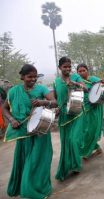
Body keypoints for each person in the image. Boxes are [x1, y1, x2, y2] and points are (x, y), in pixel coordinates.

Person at [2, 64, 57, 198]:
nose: (33, 79)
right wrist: (11, 120)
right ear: (22, 77)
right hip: (23, 132)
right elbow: (4, 109)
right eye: (29, 76)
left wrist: (43, 102)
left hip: (40, 131)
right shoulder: (14, 91)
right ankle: (26, 187)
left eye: (35, 76)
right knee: (26, 160)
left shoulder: (42, 89)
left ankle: (36, 188)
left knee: (38, 160)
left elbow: (55, 102)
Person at [54, 57, 87, 181]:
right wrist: (57, 108)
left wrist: (73, 83)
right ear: (60, 68)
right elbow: (57, 98)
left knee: (73, 140)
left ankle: (76, 165)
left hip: (77, 113)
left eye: (69, 66)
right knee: (66, 142)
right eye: (65, 67)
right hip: (64, 116)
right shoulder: (56, 81)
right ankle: (68, 166)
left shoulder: (76, 78)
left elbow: (86, 89)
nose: (68, 69)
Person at [77, 63, 104, 159]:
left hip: (94, 108)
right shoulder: (77, 81)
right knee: (84, 131)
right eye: (79, 71)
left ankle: (86, 152)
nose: (81, 73)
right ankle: (96, 148)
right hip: (83, 107)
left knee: (91, 130)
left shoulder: (94, 79)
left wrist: (102, 83)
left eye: (83, 70)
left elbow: (103, 90)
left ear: (87, 71)